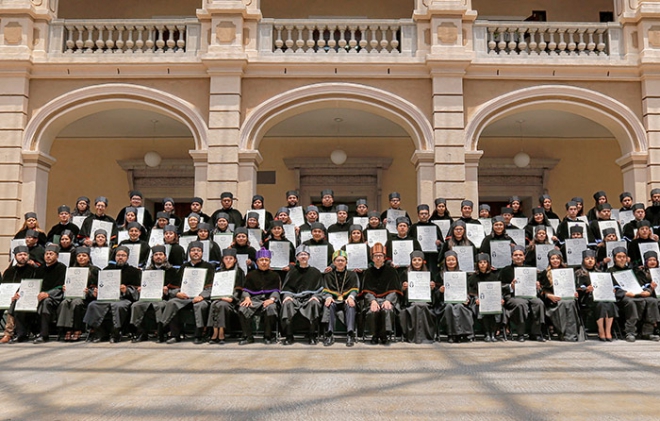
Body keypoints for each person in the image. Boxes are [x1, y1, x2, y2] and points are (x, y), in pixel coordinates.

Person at [83, 246, 142, 343]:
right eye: (118, 255)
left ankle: (116, 332)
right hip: (106, 297)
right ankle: (100, 332)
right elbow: (100, 285)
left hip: (123, 298)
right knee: (93, 305)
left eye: (123, 255)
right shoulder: (107, 269)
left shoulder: (134, 271)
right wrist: (97, 291)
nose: (120, 257)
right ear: (115, 257)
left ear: (127, 257)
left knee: (119, 306)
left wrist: (126, 290)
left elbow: (137, 290)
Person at [161, 241, 215, 344]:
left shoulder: (208, 267)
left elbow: (212, 286)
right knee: (172, 303)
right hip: (184, 297)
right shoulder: (184, 267)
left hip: (200, 298)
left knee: (201, 306)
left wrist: (202, 296)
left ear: (202, 253)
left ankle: (199, 335)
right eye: (193, 250)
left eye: (198, 250)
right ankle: (174, 335)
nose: (195, 252)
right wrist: (177, 293)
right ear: (189, 253)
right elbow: (174, 285)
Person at [10, 244, 65, 343]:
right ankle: (21, 334)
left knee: (46, 302)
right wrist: (19, 293)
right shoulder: (39, 269)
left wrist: (48, 294)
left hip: (54, 297)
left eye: (51, 254)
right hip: (36, 295)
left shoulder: (62, 268)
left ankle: (44, 335)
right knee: (19, 301)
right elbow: (30, 283)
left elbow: (61, 286)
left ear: (57, 256)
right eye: (46, 254)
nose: (48, 256)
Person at [608, 247, 660, 342]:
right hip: (621, 297)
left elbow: (643, 284)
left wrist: (647, 291)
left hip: (637, 294)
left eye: (624, 256)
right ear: (614, 258)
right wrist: (624, 293)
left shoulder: (634, 270)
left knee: (652, 301)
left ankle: (647, 332)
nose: (622, 259)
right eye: (619, 257)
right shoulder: (609, 271)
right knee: (630, 302)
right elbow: (610, 287)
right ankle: (630, 332)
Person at [130, 245, 179, 343]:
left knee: (159, 306)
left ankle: (160, 334)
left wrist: (167, 291)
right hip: (148, 298)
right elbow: (142, 285)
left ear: (165, 257)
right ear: (152, 258)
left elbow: (176, 289)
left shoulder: (173, 271)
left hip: (163, 299)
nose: (158, 257)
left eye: (161, 254)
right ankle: (141, 333)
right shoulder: (147, 271)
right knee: (136, 305)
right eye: (156, 255)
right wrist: (141, 289)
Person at [498, 245, 546, 342]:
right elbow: (499, 287)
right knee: (521, 304)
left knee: (539, 303)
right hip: (512, 296)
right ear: (512, 257)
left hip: (529, 295)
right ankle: (521, 333)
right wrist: (510, 287)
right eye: (515, 255)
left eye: (520, 255)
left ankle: (535, 333)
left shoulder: (531, 270)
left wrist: (537, 286)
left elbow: (539, 288)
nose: (518, 257)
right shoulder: (506, 270)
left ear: (524, 257)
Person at [280, 245, 324, 345]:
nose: (303, 256)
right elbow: (286, 289)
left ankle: (312, 335)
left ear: (309, 257)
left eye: (305, 254)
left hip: (309, 299)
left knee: (314, 303)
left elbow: (320, 289)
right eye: (300, 255)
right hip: (294, 298)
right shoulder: (292, 272)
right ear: (296, 257)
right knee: (287, 304)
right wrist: (287, 296)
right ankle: (289, 335)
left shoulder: (315, 272)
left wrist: (315, 296)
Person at [237, 248, 281, 345]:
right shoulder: (250, 275)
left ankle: (268, 336)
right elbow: (245, 290)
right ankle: (248, 336)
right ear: (257, 262)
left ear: (270, 261)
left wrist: (272, 299)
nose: (264, 262)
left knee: (271, 308)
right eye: (261, 260)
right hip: (254, 300)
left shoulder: (275, 275)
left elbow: (276, 291)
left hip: (267, 300)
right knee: (242, 308)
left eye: (266, 260)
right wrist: (247, 298)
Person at [361, 243, 402, 345]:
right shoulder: (368, 272)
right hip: (372, 300)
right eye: (376, 256)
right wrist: (372, 301)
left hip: (388, 299)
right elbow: (366, 290)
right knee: (372, 311)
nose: (378, 258)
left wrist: (388, 300)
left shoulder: (392, 271)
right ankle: (374, 335)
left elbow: (394, 289)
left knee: (387, 309)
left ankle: (384, 335)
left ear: (384, 257)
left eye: (380, 255)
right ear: (372, 258)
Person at [56, 246, 99, 342]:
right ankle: (66, 330)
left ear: (88, 257)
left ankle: (77, 329)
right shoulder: (71, 270)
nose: (81, 258)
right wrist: (65, 288)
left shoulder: (95, 270)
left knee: (76, 302)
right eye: (79, 256)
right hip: (71, 295)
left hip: (86, 298)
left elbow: (98, 287)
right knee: (64, 302)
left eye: (84, 256)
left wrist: (90, 292)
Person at [574, 249, 617, 341]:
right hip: (587, 298)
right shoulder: (578, 273)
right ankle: (601, 330)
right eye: (587, 259)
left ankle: (608, 331)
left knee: (610, 304)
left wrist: (610, 289)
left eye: (592, 259)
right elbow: (577, 287)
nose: (590, 260)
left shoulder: (600, 272)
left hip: (602, 296)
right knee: (601, 304)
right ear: (583, 260)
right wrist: (585, 289)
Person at [538, 250, 582, 341]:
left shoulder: (568, 272)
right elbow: (541, 290)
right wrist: (549, 295)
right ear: (549, 260)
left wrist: (575, 292)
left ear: (561, 260)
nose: (555, 261)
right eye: (552, 258)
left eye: (557, 258)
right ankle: (562, 333)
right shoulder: (544, 273)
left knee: (571, 302)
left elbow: (574, 286)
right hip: (552, 300)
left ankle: (572, 334)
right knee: (561, 303)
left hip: (566, 297)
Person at [321, 248, 359, 347]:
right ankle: (329, 334)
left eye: (343, 260)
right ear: (334, 262)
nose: (340, 262)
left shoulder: (352, 274)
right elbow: (326, 289)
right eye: (338, 260)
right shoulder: (328, 275)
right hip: (334, 300)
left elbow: (355, 289)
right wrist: (328, 297)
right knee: (329, 305)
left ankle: (350, 334)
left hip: (347, 299)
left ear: (346, 262)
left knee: (350, 305)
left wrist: (351, 297)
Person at [0, 246, 38, 343]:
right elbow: (4, 286)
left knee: (14, 303)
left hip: (25, 297)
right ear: (15, 257)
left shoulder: (34, 270)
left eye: (25, 255)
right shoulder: (9, 271)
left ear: (28, 256)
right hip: (8, 296)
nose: (23, 257)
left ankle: (8, 333)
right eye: (20, 255)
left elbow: (34, 286)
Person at [207, 248, 245, 344]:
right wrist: (216, 295)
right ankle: (215, 331)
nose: (228, 260)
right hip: (218, 297)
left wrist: (231, 298)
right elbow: (215, 286)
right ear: (223, 260)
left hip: (232, 300)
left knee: (222, 305)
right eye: (226, 258)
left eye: (231, 258)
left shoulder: (239, 272)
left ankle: (221, 332)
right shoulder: (218, 272)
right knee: (214, 304)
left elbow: (239, 289)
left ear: (235, 260)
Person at [399, 250, 436, 344]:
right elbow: (399, 291)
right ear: (411, 261)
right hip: (410, 301)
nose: (416, 262)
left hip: (425, 301)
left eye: (419, 260)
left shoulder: (428, 273)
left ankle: (425, 337)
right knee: (415, 306)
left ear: (423, 261)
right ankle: (413, 337)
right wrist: (403, 288)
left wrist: (432, 288)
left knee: (423, 306)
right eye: (414, 260)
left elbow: (434, 293)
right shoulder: (405, 273)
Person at [437, 250, 474, 343]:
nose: (451, 262)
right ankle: (451, 334)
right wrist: (440, 291)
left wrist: (467, 298)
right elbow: (434, 294)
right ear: (445, 262)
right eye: (448, 260)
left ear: (457, 261)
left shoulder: (462, 274)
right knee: (449, 307)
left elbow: (468, 291)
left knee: (459, 307)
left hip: (459, 300)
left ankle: (461, 334)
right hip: (445, 302)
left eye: (453, 260)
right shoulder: (440, 275)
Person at [468, 253, 502, 342]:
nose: (482, 264)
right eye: (480, 262)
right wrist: (476, 298)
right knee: (482, 308)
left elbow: (498, 289)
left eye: (485, 262)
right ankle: (486, 333)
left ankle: (493, 333)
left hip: (492, 300)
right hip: (478, 301)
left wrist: (500, 299)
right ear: (477, 264)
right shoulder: (472, 277)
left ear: (488, 264)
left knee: (496, 307)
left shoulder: (494, 276)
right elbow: (470, 291)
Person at [410, 204, 444, 278]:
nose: (424, 216)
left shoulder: (435, 227)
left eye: (426, 214)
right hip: (418, 257)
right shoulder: (413, 227)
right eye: (422, 214)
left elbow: (442, 243)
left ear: (429, 215)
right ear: (418, 215)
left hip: (432, 257)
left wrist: (439, 243)